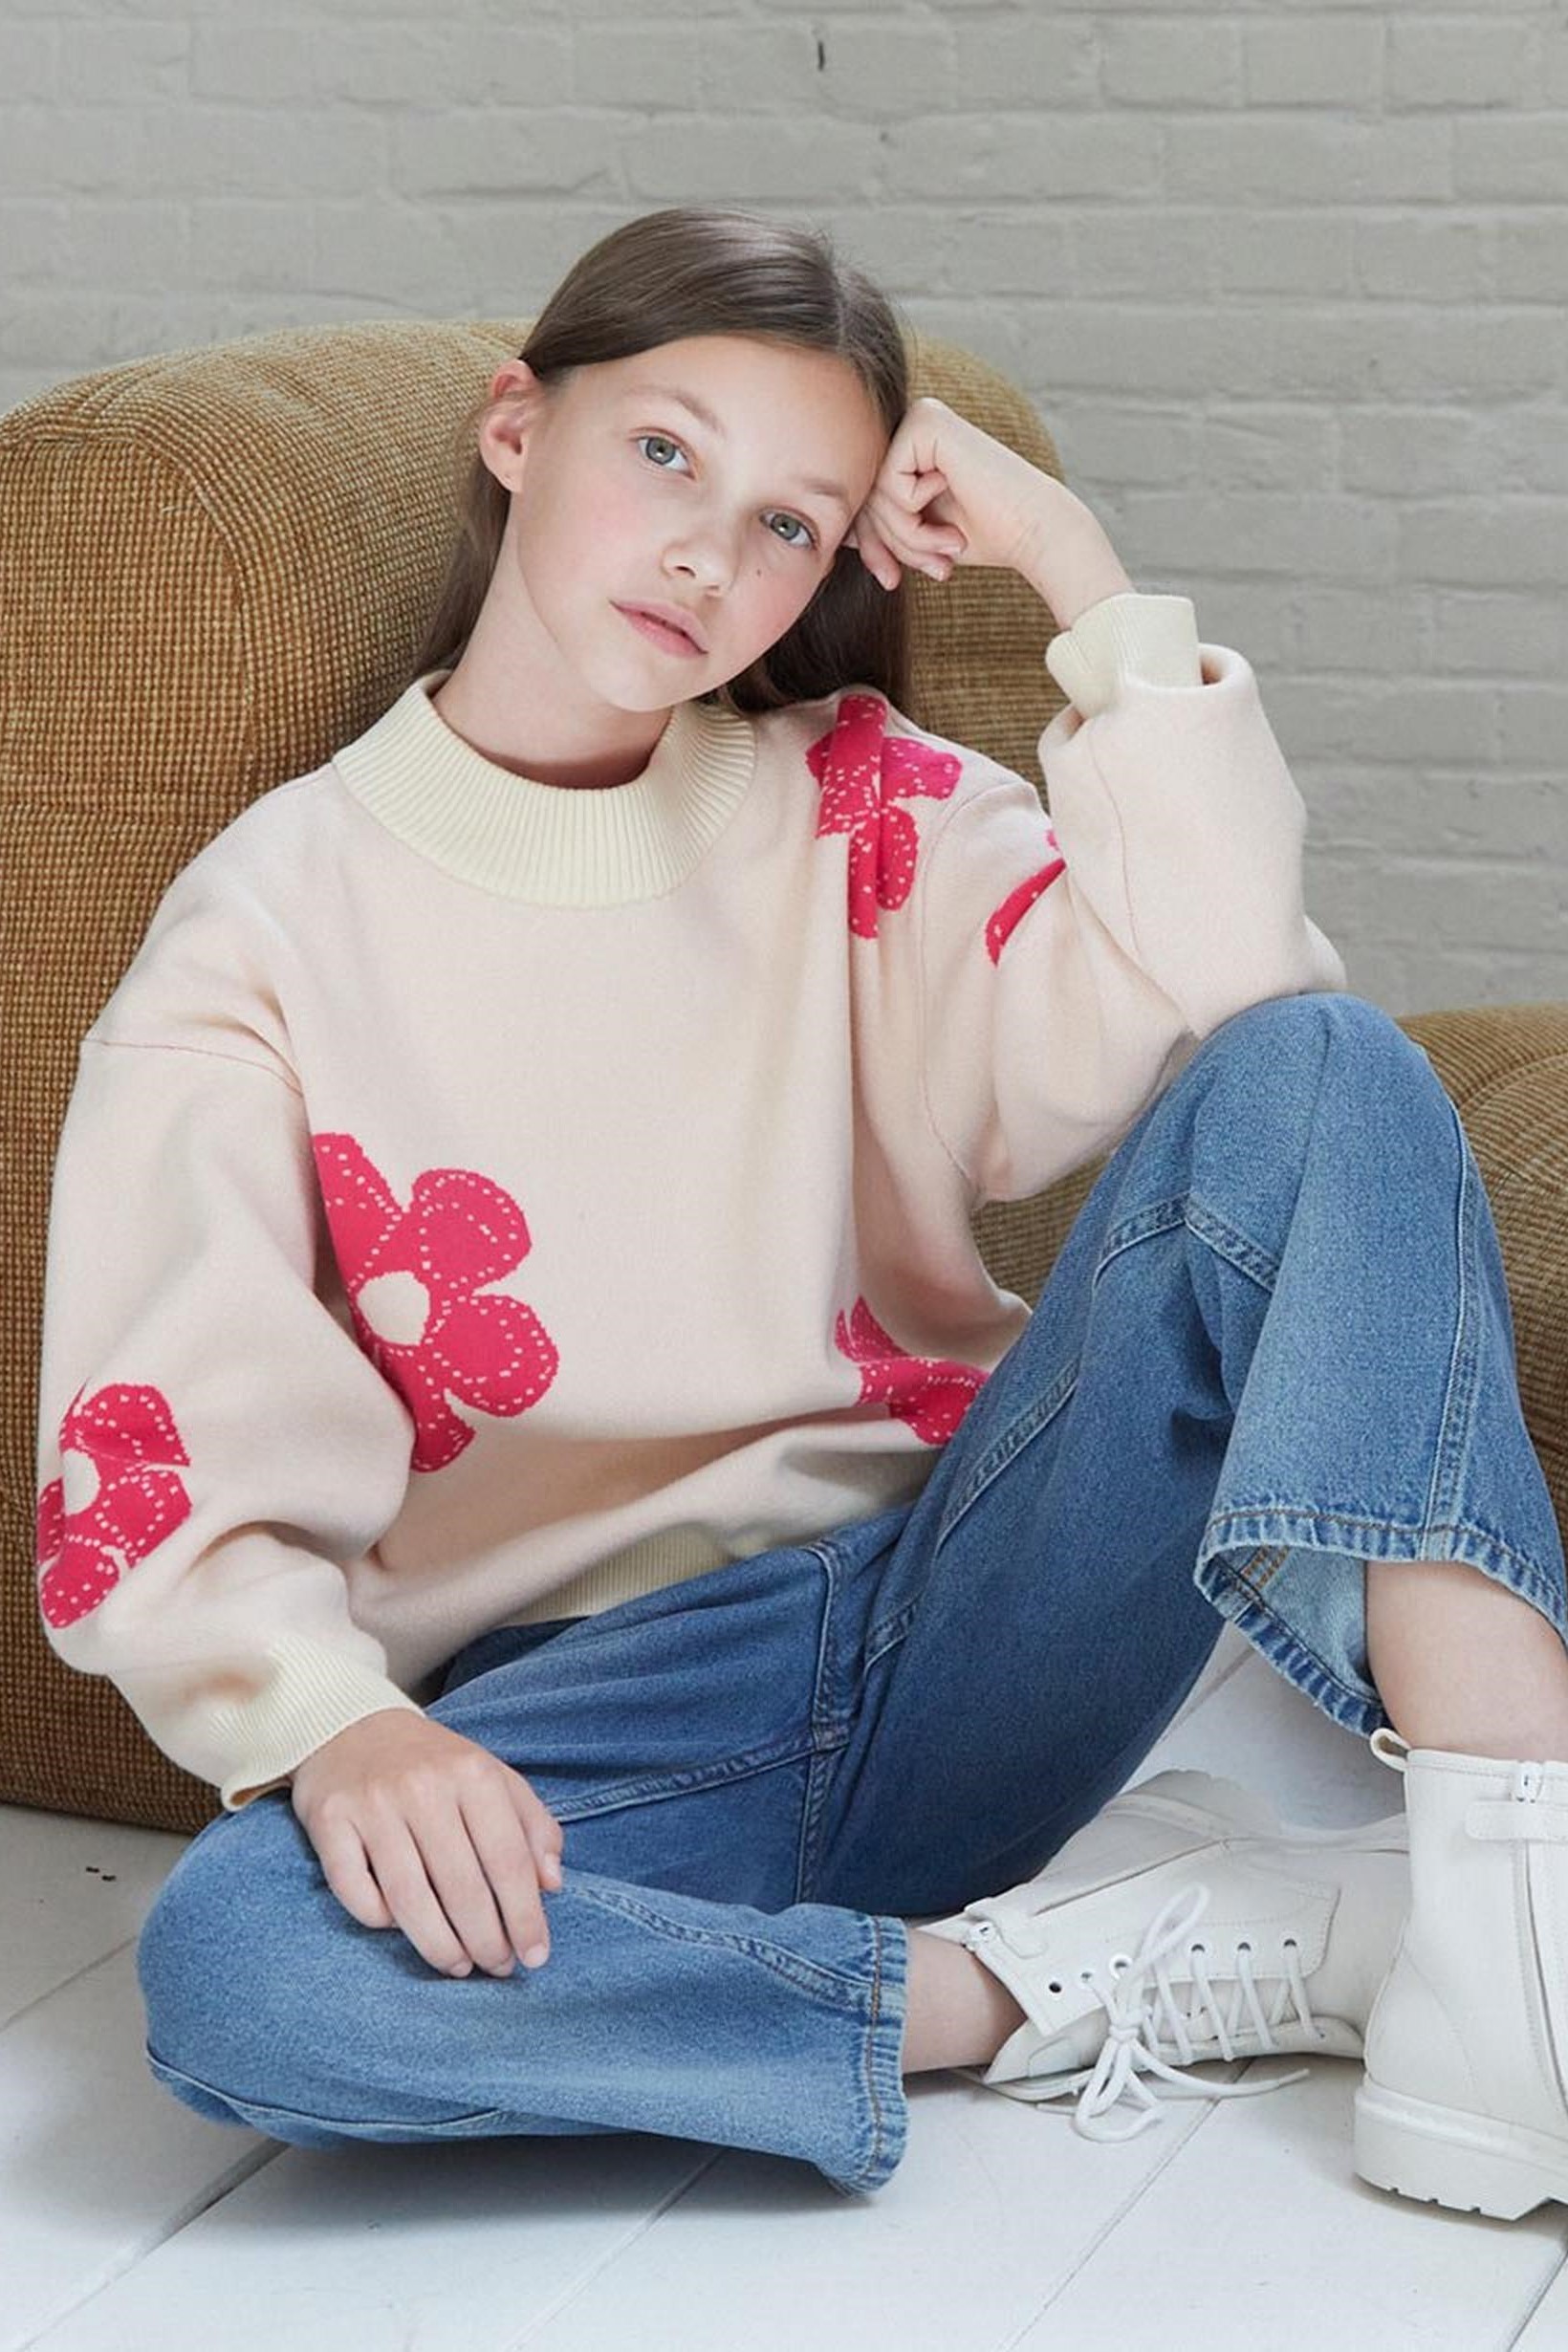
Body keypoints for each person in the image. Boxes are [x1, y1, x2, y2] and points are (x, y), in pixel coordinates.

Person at [33, 206, 1568, 2215]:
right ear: (518, 428)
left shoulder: (854, 801)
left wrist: (1078, 566)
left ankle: (1520, 1908)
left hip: (970, 1602)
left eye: (785, 521)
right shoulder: (266, 928)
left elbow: (1232, 997)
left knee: (1329, 1060)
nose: (703, 553)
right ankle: (1075, 1970)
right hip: (602, 1715)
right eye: (664, 452)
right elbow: (157, 1430)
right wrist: (328, 1729)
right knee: (243, 1969)